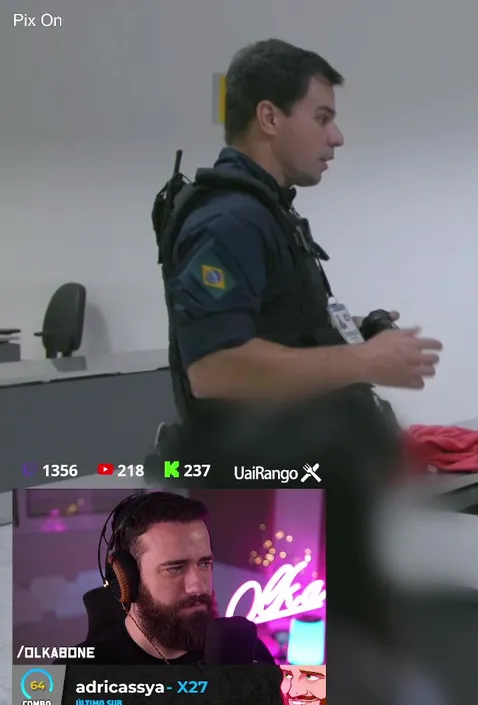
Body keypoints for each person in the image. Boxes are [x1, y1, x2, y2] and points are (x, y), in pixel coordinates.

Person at [149, 38, 443, 480]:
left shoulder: (266, 212)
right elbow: (215, 367)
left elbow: (276, 328)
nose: (336, 137)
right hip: (257, 491)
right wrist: (365, 361)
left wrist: (355, 332)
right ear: (269, 117)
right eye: (322, 118)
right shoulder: (229, 221)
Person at [65, 492, 276, 667]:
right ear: (126, 578)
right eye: (175, 568)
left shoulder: (248, 654)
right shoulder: (76, 673)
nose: (197, 586)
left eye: (204, 563)